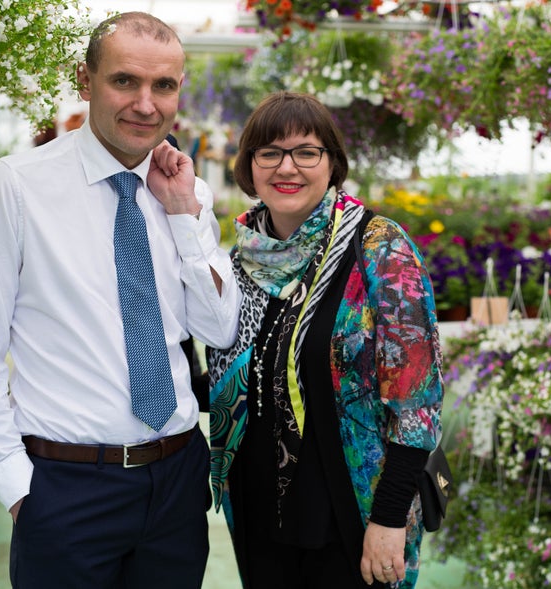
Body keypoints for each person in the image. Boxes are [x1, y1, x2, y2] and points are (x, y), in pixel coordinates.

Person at [0, 12, 240, 589]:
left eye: (164, 86)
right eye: (124, 81)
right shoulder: (15, 186)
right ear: (85, 80)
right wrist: (19, 490)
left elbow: (219, 327)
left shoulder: (189, 189)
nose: (146, 104)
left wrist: (184, 214)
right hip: (65, 487)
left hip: (177, 480)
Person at [204, 91, 443, 589]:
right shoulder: (242, 257)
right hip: (257, 508)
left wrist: (389, 519)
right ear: (249, 166)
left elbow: (417, 404)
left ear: (332, 163)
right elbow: (244, 367)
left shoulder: (379, 249)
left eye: (306, 152)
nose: (286, 167)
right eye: (269, 152)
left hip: (349, 508)